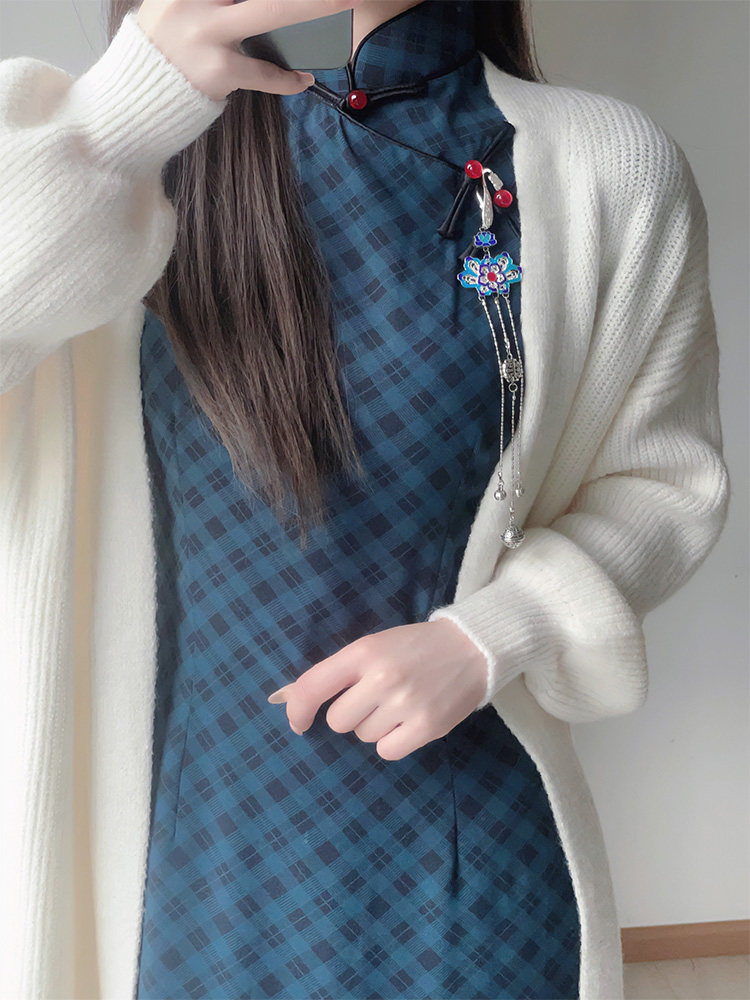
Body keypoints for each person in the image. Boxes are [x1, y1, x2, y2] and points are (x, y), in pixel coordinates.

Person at [0, 1, 730, 998]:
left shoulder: (605, 164)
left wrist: (494, 633)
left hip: (467, 869)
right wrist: (121, 117)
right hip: (190, 868)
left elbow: (661, 483)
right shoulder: (102, 155)